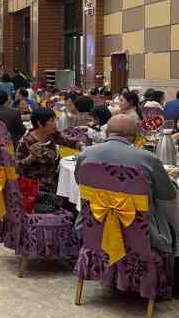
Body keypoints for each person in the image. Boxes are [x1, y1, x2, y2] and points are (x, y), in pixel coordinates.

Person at [74, 114, 179, 255]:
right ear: (135, 137)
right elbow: (168, 196)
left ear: (106, 133)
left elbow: (79, 182)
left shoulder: (85, 155)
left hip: (94, 228)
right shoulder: (148, 159)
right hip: (142, 235)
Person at [15, 108, 82, 210]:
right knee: (72, 199)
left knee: (75, 193)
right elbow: (16, 168)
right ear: (39, 123)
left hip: (54, 180)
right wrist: (30, 158)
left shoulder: (52, 134)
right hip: (37, 188)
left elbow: (69, 141)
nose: (55, 123)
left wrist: (81, 146)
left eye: (55, 120)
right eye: (52, 121)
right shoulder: (26, 143)